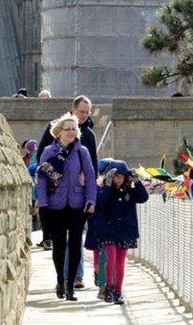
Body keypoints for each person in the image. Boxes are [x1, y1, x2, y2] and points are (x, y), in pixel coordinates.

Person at [36, 95, 98, 288]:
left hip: (78, 197)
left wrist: (90, 192)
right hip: (58, 197)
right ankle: (62, 277)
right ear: (72, 110)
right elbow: (42, 160)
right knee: (61, 240)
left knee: (76, 240)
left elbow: (92, 168)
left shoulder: (88, 136)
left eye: (87, 112)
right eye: (82, 111)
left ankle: (76, 277)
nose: (85, 115)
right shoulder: (54, 128)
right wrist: (56, 177)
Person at [96, 160, 149, 305]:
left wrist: (137, 181)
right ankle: (108, 288)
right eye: (116, 176)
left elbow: (143, 198)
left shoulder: (130, 191)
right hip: (108, 231)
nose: (119, 179)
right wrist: (106, 185)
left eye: (122, 176)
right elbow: (100, 202)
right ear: (110, 177)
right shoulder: (104, 189)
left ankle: (118, 291)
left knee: (120, 263)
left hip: (125, 231)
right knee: (111, 259)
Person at [85, 157, 114, 299]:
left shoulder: (97, 187)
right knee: (101, 257)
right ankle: (102, 285)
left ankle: (102, 281)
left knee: (102, 257)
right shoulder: (98, 188)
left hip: (100, 226)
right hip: (99, 227)